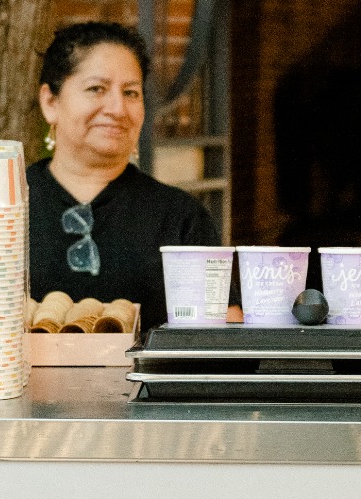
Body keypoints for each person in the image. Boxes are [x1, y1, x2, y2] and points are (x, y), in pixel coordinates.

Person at [27, 21, 219, 332]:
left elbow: (224, 342)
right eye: (96, 89)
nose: (117, 108)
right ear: (50, 102)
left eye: (131, 92)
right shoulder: (6, 209)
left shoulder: (180, 217)